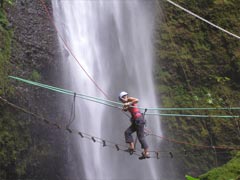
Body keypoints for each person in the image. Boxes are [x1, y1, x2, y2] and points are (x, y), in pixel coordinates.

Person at [119, 91, 150, 159]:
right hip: (136, 121)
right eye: (121, 100)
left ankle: (146, 152)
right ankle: (132, 147)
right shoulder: (126, 103)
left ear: (123, 97)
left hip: (139, 120)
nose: (122, 101)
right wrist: (124, 107)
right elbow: (125, 109)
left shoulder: (129, 99)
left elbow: (137, 100)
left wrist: (128, 103)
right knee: (127, 132)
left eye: (122, 99)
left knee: (141, 137)